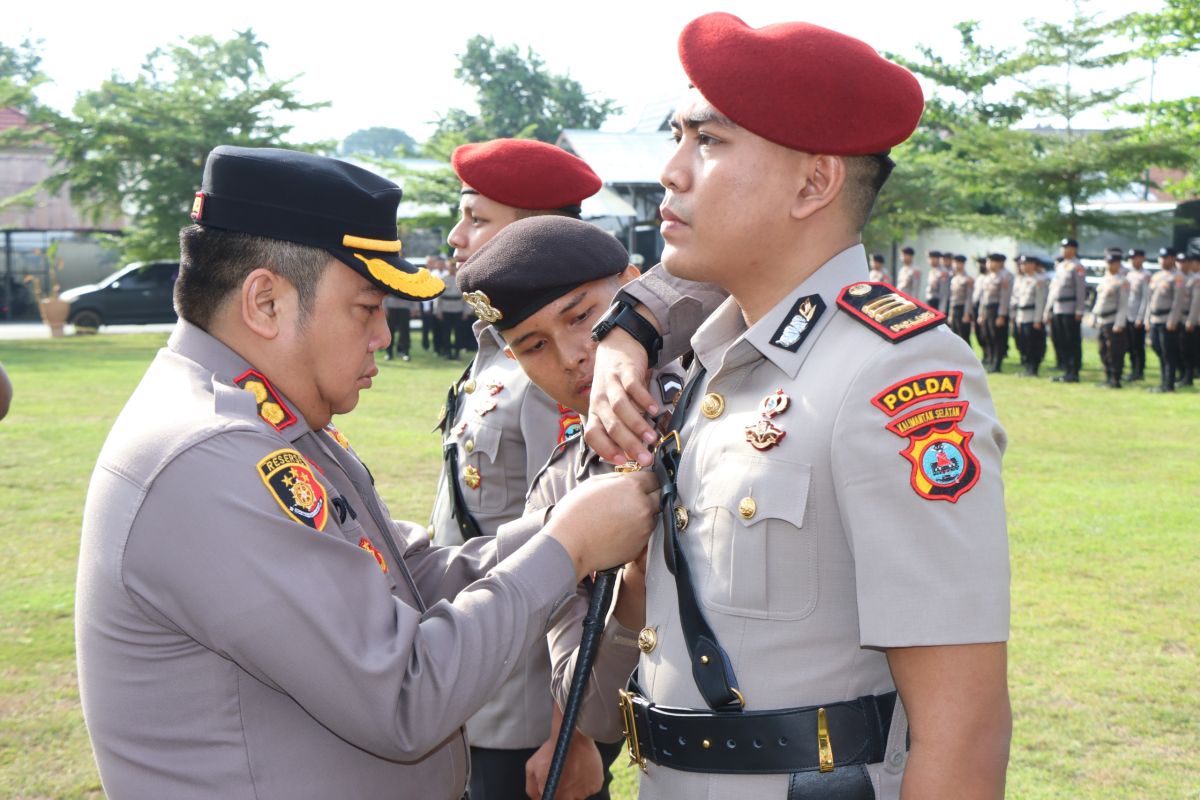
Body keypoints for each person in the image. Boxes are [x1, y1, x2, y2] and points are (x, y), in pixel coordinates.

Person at [73, 145, 660, 800]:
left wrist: (572, 524)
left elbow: (416, 579)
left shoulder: (268, 422)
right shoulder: (212, 456)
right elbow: (407, 697)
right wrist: (566, 547)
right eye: (365, 307)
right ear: (265, 302)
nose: (385, 334)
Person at [584, 13, 1011, 799]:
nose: (672, 171)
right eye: (676, 135)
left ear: (814, 185)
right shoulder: (722, 358)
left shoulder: (894, 373)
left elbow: (965, 726)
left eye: (708, 141)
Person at [455, 215, 686, 800]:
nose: (572, 356)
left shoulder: (738, 397)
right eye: (532, 346)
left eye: (582, 317)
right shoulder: (561, 490)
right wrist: (629, 590)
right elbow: (596, 714)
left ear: (634, 286)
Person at [429, 138, 613, 800]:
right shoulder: (500, 354)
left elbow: (587, 551)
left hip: (530, 705)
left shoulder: (555, 370)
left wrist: (569, 731)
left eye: (477, 218)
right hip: (478, 673)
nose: (457, 235)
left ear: (536, 231)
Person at [1143, 247, 1186, 392]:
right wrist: (1147, 319)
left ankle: (1168, 384)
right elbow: (1150, 300)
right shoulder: (1156, 276)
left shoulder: (1177, 277)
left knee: (1168, 352)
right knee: (1157, 348)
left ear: (1172, 259)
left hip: (1168, 320)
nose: (1162, 260)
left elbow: (1177, 301)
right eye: (1161, 258)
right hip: (1155, 318)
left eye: (1165, 257)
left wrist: (1172, 320)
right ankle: (1163, 381)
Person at [1045, 238, 1087, 383]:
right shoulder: (1061, 266)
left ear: (1074, 249)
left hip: (1070, 308)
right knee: (1061, 340)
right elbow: (1054, 289)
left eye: (1067, 247)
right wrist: (1048, 310)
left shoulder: (1078, 266)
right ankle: (1066, 369)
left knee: (1072, 341)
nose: (1063, 250)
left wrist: (1079, 310)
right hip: (1058, 308)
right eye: (1062, 247)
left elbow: (1081, 290)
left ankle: (1073, 371)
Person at [1089, 249, 1130, 388]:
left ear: (1118, 264)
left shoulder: (1122, 282)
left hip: (1113, 320)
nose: (1109, 265)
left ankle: (1115, 378)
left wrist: (1119, 323)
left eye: (1113, 262)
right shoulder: (1104, 280)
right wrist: (1093, 317)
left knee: (1115, 351)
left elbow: (1123, 305)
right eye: (1108, 262)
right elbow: (1098, 301)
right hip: (1102, 320)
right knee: (1102, 350)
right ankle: (1107, 376)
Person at [1011, 256, 1048, 376]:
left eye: (1026, 264)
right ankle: (1027, 368)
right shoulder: (1022, 280)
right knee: (1023, 343)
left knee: (1033, 343)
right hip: (1021, 316)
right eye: (1022, 264)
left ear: (1033, 265)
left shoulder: (1039, 280)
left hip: (1032, 316)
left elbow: (1040, 302)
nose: (1023, 266)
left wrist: (1038, 319)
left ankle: (1033, 368)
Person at [977, 253, 1013, 373]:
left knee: (998, 338)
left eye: (991, 261)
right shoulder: (988, 277)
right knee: (987, 336)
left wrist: (1002, 315)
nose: (988, 264)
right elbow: (983, 298)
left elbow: (1005, 297)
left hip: (996, 310)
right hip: (987, 309)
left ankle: (997, 364)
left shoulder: (1005, 277)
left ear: (998, 263)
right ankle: (991, 360)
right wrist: (981, 314)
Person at [1124, 248, 1150, 382]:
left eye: (1136, 257)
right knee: (1129, 345)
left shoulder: (1145, 276)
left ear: (1142, 258)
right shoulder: (1128, 275)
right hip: (1127, 315)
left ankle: (1139, 371)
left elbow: (1146, 299)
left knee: (1138, 346)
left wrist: (1141, 317)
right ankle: (1133, 369)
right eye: (1131, 258)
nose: (1133, 260)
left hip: (1137, 317)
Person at [1180, 240, 1200, 387]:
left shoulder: (1196, 280)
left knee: (1191, 349)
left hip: (1195, 320)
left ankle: (1189, 376)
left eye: (1191, 262)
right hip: (1190, 318)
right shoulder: (1189, 278)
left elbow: (1195, 303)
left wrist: (1192, 320)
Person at [948, 253, 975, 346]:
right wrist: (951, 314)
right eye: (954, 262)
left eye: (958, 263)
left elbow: (969, 298)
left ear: (963, 264)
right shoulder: (954, 279)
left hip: (963, 309)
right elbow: (952, 298)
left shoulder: (968, 279)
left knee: (964, 337)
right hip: (955, 309)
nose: (955, 265)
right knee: (955, 336)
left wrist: (967, 313)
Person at [382, 292, 418, 361]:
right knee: (390, 331)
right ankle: (389, 353)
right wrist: (384, 306)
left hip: (405, 306)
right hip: (391, 306)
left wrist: (415, 307)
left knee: (405, 331)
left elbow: (414, 290)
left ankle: (405, 352)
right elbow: (385, 292)